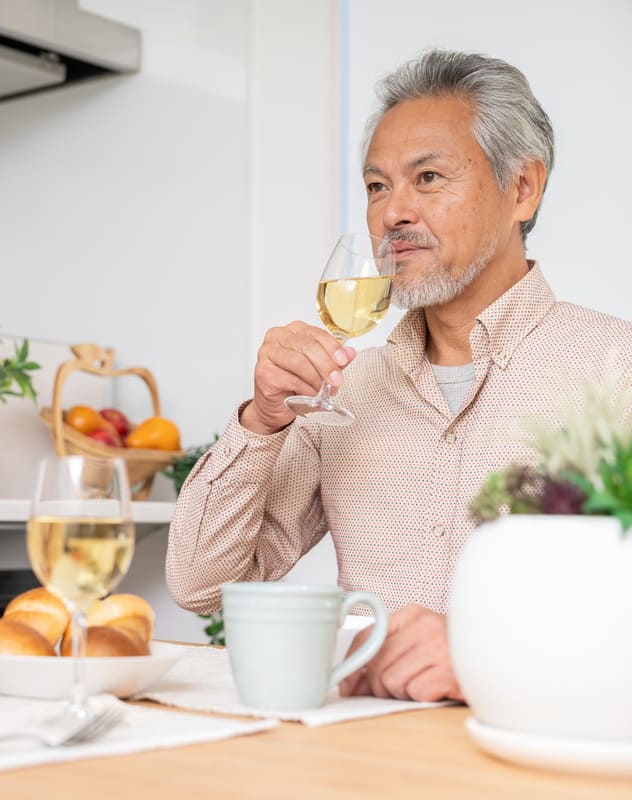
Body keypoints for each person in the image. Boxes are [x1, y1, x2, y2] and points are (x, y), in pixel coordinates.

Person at [167, 49, 632, 703]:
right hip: (360, 753)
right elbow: (202, 586)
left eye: (429, 177)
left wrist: (493, 651)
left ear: (522, 188)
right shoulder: (346, 390)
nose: (392, 214)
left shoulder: (617, 370)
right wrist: (262, 423)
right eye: (377, 186)